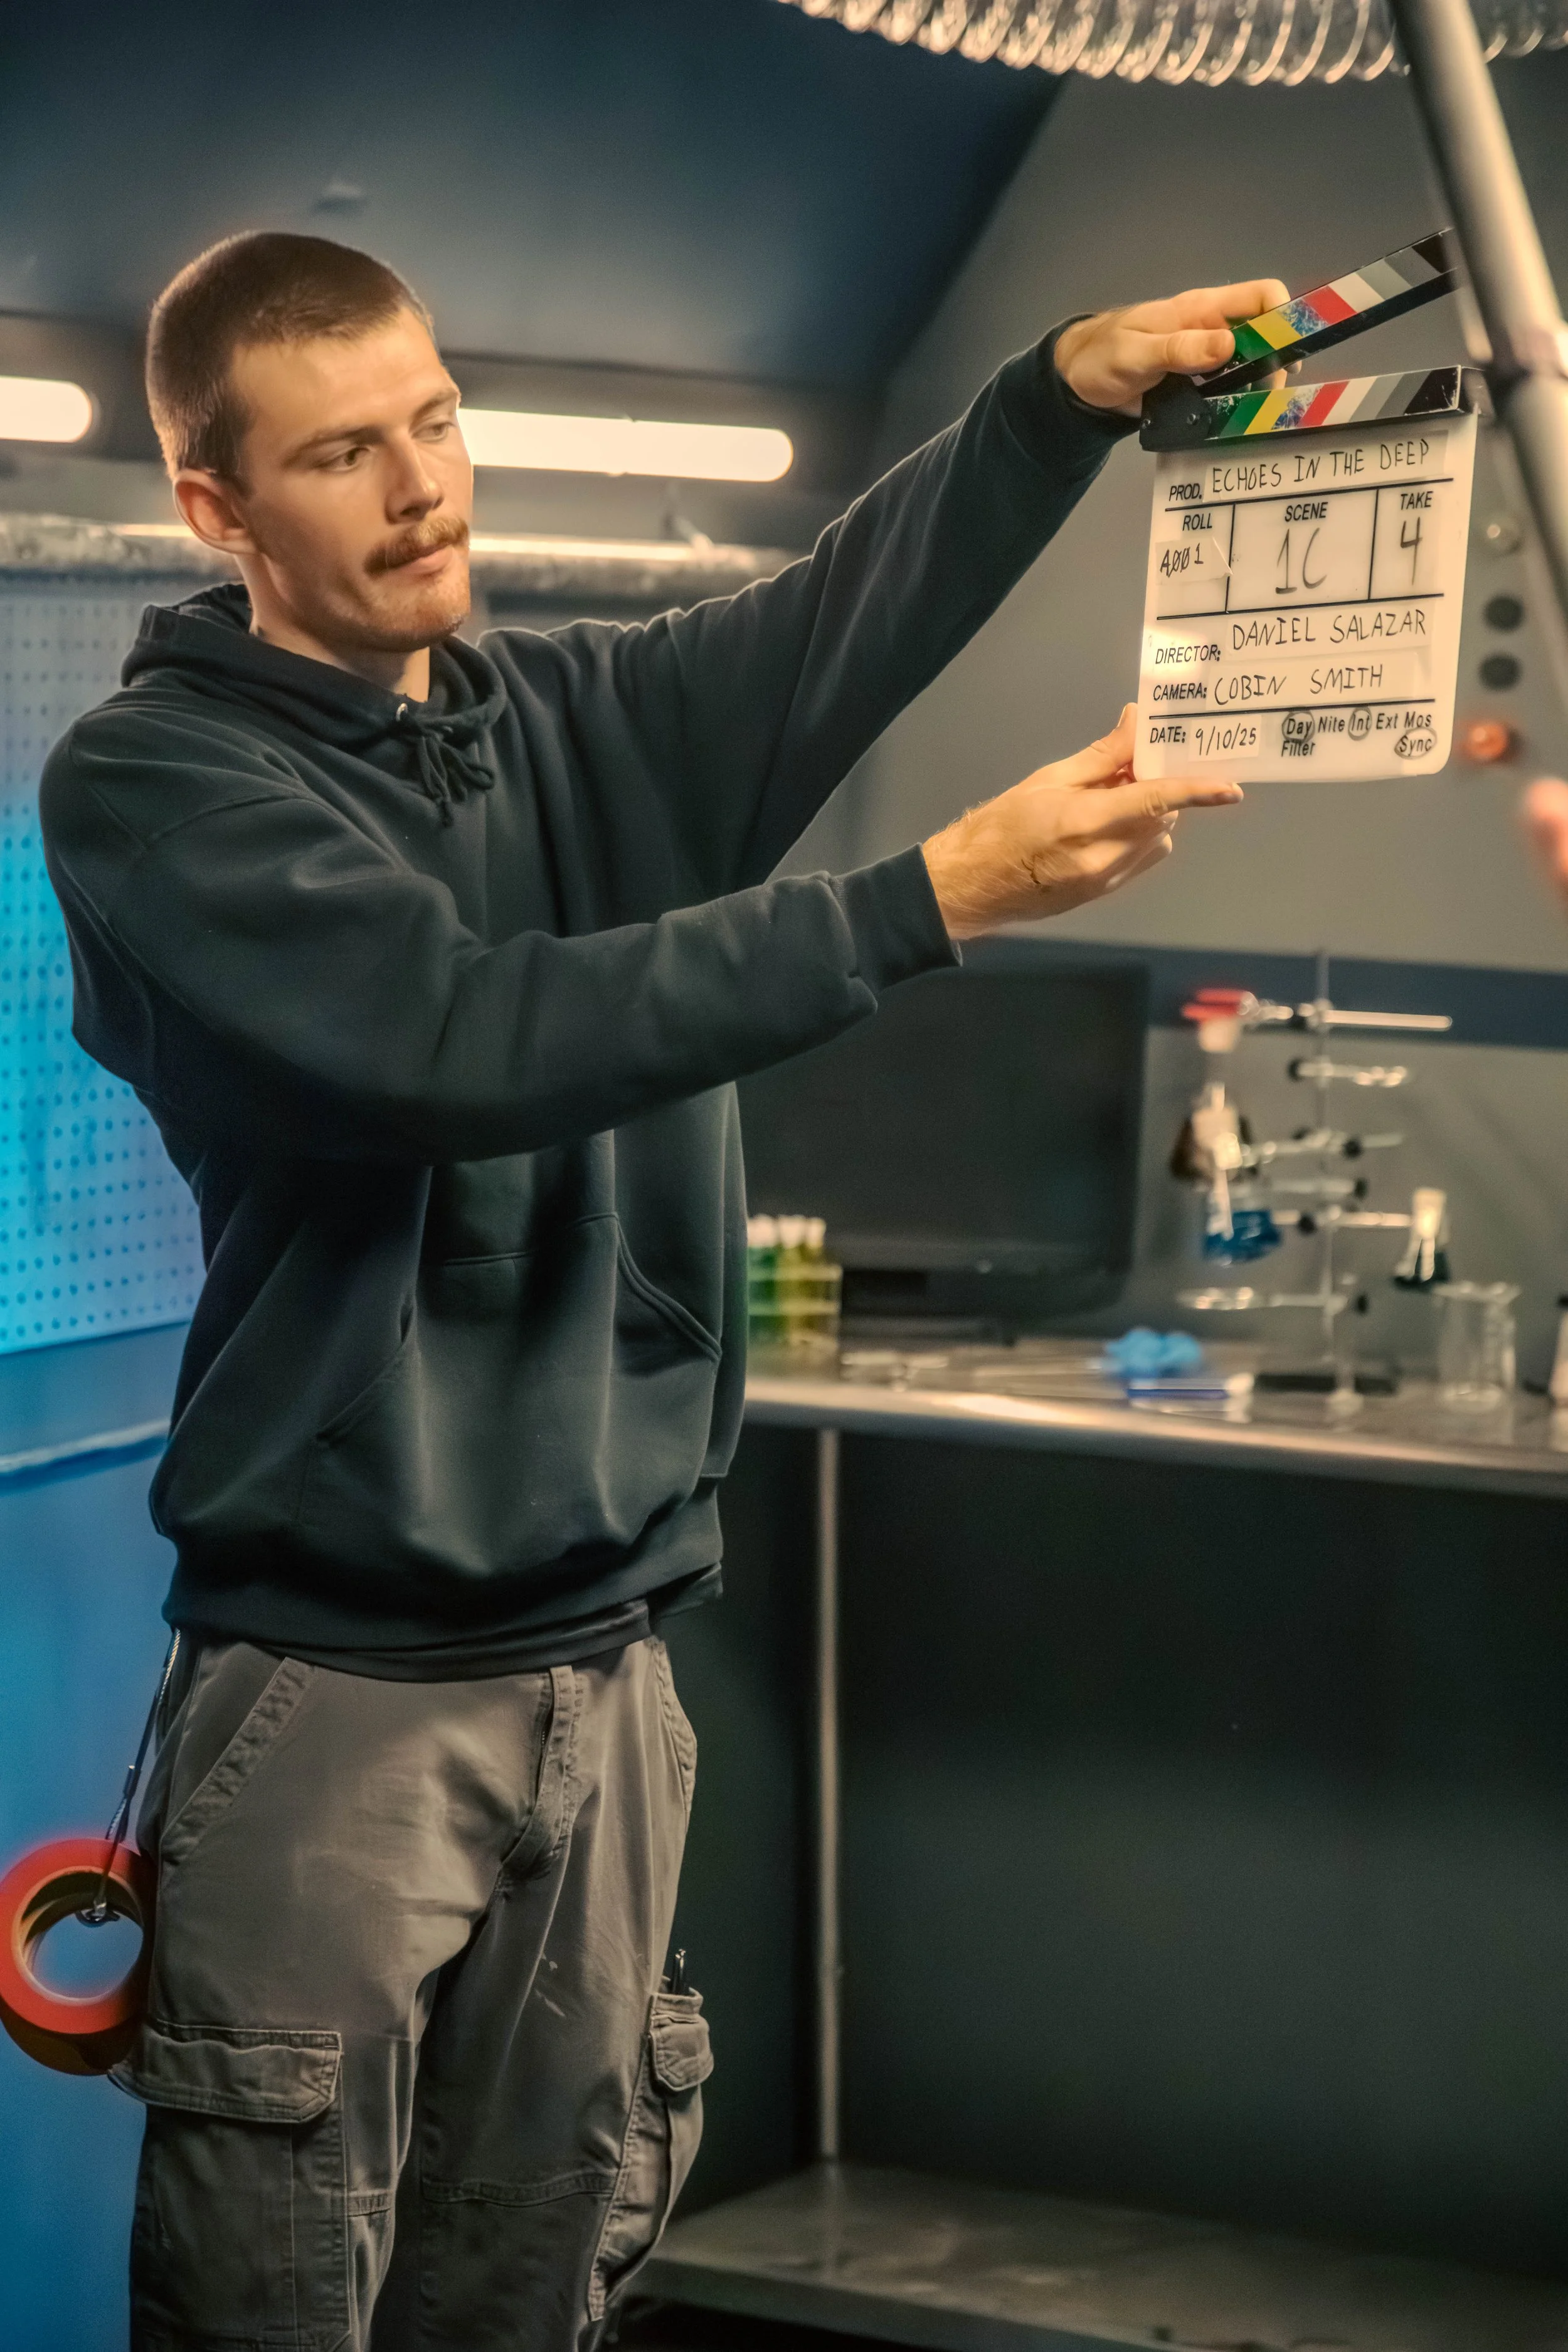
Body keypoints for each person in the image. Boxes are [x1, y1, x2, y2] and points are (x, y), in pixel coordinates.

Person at [40, 231, 1271, 2351]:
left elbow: (836, 620)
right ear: (217, 507)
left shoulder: (574, 723)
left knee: (533, 2287)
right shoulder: (156, 790)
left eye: (434, 418)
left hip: (609, 1684)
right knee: (270, 2308)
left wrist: (1055, 393)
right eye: (345, 451)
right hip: (342, 1695)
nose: (423, 482)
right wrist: (921, 902)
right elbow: (458, 1038)